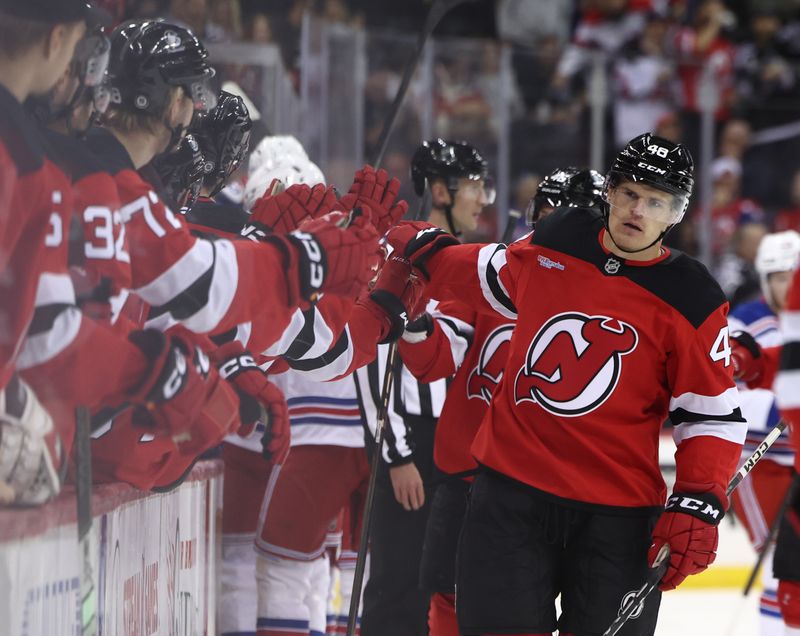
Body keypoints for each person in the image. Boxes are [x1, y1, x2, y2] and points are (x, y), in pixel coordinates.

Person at [388, 132, 747, 635]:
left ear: (675, 214)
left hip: (616, 519)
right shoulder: (561, 236)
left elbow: (709, 412)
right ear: (611, 193)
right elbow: (492, 274)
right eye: (628, 193)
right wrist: (424, 254)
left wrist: (700, 498)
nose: (637, 210)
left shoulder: (693, 296)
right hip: (511, 497)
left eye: (655, 201)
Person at [399, 166, 604, 635]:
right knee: (453, 600)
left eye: (576, 217)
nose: (558, 229)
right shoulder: (498, 277)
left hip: (568, 489)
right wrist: (411, 322)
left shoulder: (618, 300)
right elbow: (437, 356)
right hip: (472, 478)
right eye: (549, 215)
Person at [358, 138, 494, 636]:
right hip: (411, 442)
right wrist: (396, 455)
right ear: (440, 189)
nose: (482, 199)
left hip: (451, 443)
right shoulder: (401, 250)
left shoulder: (468, 259)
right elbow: (370, 354)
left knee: (442, 583)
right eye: (475, 186)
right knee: (399, 582)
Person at [728, 230, 800, 633]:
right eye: (777, 276)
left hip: (796, 460)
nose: (787, 285)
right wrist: (782, 405)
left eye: (793, 275)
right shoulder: (746, 321)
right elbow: (725, 396)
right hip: (762, 463)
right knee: (780, 565)